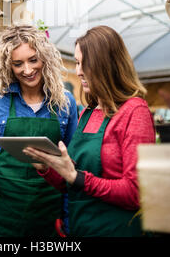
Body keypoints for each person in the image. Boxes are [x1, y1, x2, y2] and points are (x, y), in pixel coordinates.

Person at [24, 25, 156, 237]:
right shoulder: (87, 112)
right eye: (77, 63)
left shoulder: (135, 111)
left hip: (118, 230)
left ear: (107, 64)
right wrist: (47, 167)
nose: (78, 71)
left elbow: (135, 193)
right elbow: (72, 183)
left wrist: (77, 177)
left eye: (85, 63)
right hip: (82, 229)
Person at [0, 25, 78, 237]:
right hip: (4, 212)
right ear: (8, 66)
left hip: (49, 213)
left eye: (33, 60)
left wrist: (69, 218)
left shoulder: (65, 102)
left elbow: (73, 163)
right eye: (18, 63)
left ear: (45, 59)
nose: (27, 70)